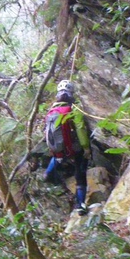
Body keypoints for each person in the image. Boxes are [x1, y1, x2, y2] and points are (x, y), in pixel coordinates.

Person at [43, 80, 91, 216]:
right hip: (74, 148)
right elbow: (80, 129)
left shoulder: (51, 111)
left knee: (58, 157)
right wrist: (86, 148)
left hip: (59, 149)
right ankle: (80, 205)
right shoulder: (73, 110)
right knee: (80, 175)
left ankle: (48, 173)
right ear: (71, 94)